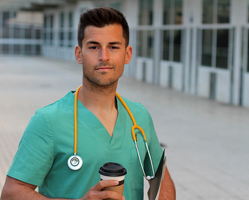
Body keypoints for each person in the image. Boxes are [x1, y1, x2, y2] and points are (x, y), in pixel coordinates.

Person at [1, 7, 176, 200]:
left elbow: (161, 180)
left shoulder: (140, 116)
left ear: (127, 54)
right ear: (78, 54)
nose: (104, 57)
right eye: (93, 47)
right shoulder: (48, 121)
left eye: (113, 47)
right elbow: (11, 193)